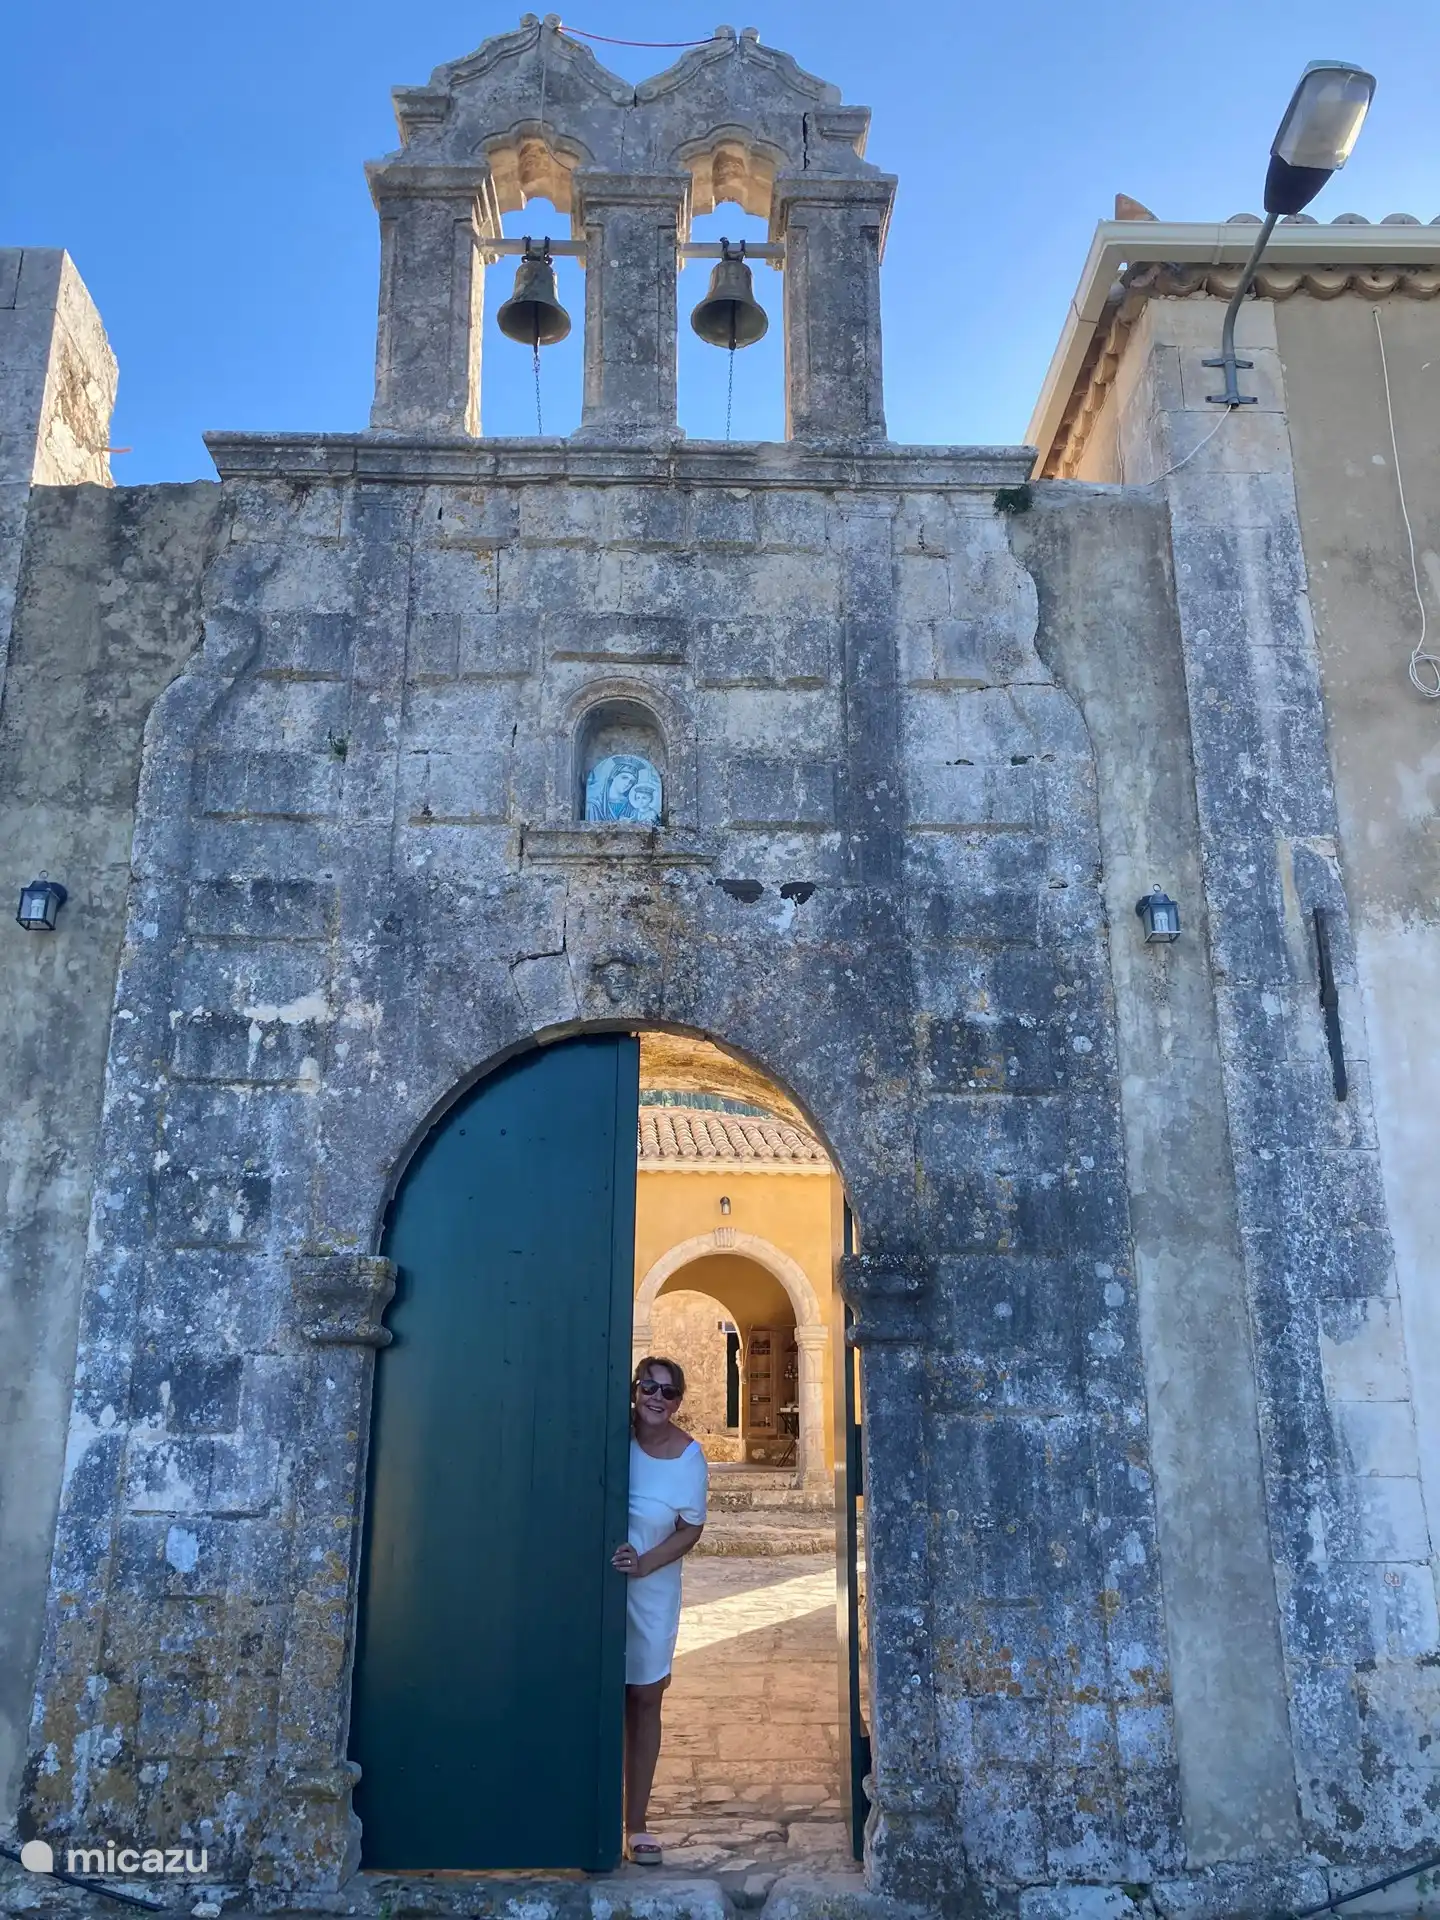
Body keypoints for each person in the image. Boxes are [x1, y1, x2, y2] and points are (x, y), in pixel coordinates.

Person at [611, 1356, 708, 1866]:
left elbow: (691, 1528)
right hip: (599, 1586)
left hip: (649, 1591)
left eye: (668, 1393)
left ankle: (637, 1823)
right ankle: (590, 1814)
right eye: (649, 1386)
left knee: (644, 1698)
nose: (656, 1397)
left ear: (677, 1402)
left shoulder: (689, 1457)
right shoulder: (612, 1435)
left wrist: (644, 1563)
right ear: (634, 1389)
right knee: (597, 1698)